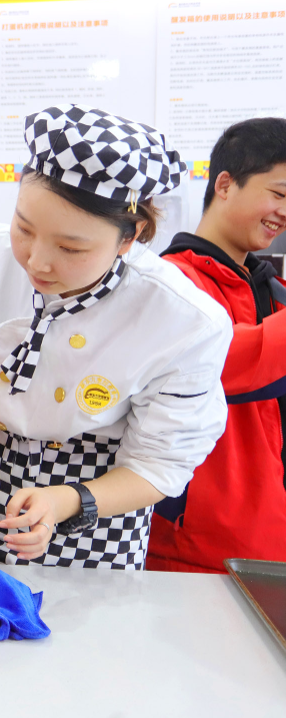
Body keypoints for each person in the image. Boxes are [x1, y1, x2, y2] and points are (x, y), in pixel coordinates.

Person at [0, 105, 233, 569]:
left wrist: (65, 501)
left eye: (70, 248)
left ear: (130, 237)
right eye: (23, 228)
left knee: (83, 617)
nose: (36, 262)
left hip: (99, 504)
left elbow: (158, 464)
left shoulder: (183, 321)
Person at [149, 117, 286, 572]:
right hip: (195, 553)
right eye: (279, 194)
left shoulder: (271, 288)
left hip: (269, 541)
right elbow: (214, 363)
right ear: (225, 184)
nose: (284, 213)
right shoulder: (170, 283)